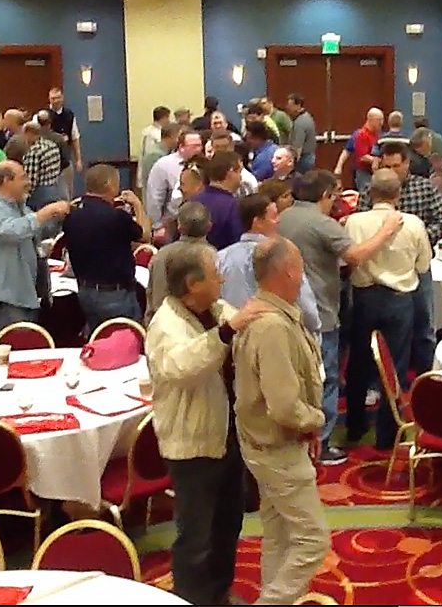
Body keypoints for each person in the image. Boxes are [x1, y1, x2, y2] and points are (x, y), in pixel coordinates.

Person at [146, 241, 266, 606]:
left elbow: (240, 325)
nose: (222, 279)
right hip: (192, 446)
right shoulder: (165, 324)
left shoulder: (213, 308)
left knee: (228, 524)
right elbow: (184, 368)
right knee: (196, 536)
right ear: (193, 284)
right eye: (215, 274)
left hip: (226, 434)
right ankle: (193, 600)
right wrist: (228, 332)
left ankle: (219, 594)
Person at [232, 237, 332, 605]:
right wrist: (315, 418)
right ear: (289, 271)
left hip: (263, 442)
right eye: (301, 265)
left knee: (280, 533)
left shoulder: (262, 313)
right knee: (312, 539)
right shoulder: (272, 326)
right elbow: (285, 407)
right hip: (277, 447)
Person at [278, 170, 402, 464]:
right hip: (320, 310)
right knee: (327, 376)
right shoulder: (323, 223)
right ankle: (321, 442)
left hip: (286, 307)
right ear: (324, 195)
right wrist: (386, 231)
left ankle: (298, 436)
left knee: (298, 376)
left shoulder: (283, 217)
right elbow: (355, 256)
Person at [345, 169, 431, 449]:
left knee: (358, 362)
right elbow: (423, 266)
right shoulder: (413, 224)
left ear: (370, 193)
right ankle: (388, 433)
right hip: (399, 300)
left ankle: (355, 425)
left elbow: (347, 261)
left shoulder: (354, 222)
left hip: (364, 298)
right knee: (395, 367)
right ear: (398, 194)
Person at [357, 143, 442, 372]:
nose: (392, 171)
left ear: (407, 164)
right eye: (387, 166)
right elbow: (362, 223)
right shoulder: (371, 189)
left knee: (424, 325)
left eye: (396, 166)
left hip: (417, 264)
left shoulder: (424, 187)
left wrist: (415, 242)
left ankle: (426, 373)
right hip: (381, 266)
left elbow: (440, 222)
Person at [0, 161, 70, 337]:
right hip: (6, 298)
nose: (28, 182)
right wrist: (48, 211)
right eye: (23, 177)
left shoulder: (20, 206)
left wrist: (57, 218)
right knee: (13, 348)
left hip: (27, 292)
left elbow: (35, 230)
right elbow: (16, 231)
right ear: (6, 181)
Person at [63, 164, 150, 332]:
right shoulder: (117, 217)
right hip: (116, 294)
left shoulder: (71, 215)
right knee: (127, 339)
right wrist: (137, 204)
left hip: (85, 291)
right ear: (110, 185)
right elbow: (145, 236)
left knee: (98, 337)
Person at [218, 194, 320, 332]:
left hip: (234, 334)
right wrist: (314, 327)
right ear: (258, 222)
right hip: (275, 331)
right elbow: (305, 303)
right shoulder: (283, 256)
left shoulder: (220, 257)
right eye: (274, 216)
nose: (278, 221)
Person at [145, 201, 217, 326]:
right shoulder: (214, 258)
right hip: (202, 330)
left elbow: (153, 297)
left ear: (179, 226)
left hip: (161, 326)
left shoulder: (161, 255)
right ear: (209, 226)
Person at [335, 108, 383, 193]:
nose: (381, 123)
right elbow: (361, 156)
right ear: (371, 119)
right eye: (379, 120)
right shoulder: (361, 135)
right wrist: (339, 167)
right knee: (366, 193)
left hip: (375, 172)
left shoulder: (378, 134)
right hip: (364, 173)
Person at [47, 87, 83, 197]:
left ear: (62, 98)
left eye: (58, 98)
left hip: (65, 161)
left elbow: (75, 137)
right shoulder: (43, 115)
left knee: (68, 192)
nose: (55, 101)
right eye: (53, 98)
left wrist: (78, 159)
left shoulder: (69, 115)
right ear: (49, 99)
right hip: (48, 161)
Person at [139, 105, 171, 189]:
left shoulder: (150, 131)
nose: (169, 120)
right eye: (167, 117)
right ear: (163, 118)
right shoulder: (151, 134)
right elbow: (149, 154)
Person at [286, 93, 317, 173]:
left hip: (303, 160)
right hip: (309, 157)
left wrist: (291, 164)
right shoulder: (307, 116)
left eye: (290, 105)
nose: (288, 107)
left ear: (298, 105)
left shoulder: (300, 122)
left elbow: (297, 148)